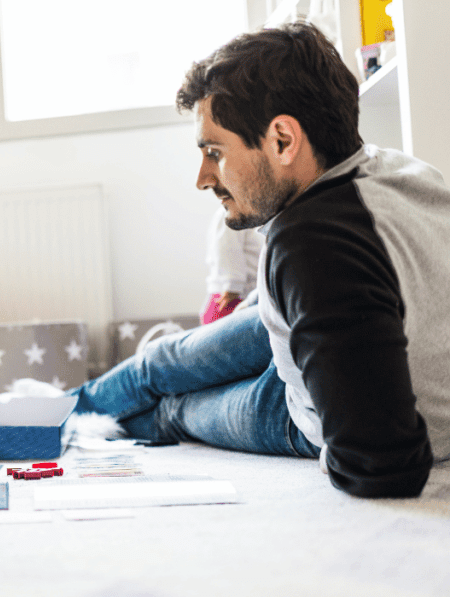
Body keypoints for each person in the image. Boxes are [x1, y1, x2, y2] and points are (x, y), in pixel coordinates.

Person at [68, 21, 450, 498]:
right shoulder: (400, 169)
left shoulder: (314, 244)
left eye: (214, 152)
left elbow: (379, 464)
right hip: (337, 340)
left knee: (177, 405)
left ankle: (47, 424)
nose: (203, 177)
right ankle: (54, 414)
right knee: (162, 362)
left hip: (299, 407)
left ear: (283, 140)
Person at [200, 204, 263, 325]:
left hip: (242, 292)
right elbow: (228, 250)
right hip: (230, 295)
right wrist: (232, 285)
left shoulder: (252, 213)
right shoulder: (229, 214)